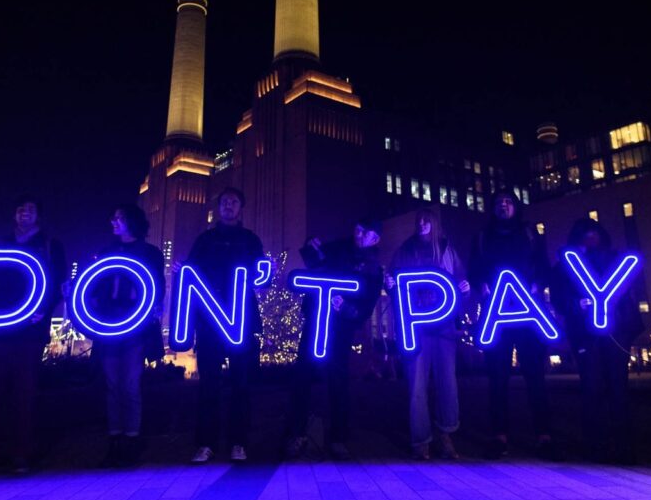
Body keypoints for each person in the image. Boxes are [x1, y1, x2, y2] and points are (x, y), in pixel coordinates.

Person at [0, 195, 66, 475]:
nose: (25, 213)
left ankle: (22, 453)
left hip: (30, 331)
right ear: (14, 214)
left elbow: (59, 284)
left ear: (38, 216)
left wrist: (43, 310)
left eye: (30, 209)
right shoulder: (1, 244)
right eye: (20, 208)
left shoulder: (50, 246)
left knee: (25, 393)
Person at [176, 187, 265, 463]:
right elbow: (190, 271)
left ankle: (239, 442)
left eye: (234, 201)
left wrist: (265, 274)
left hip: (241, 320)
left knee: (241, 384)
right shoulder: (205, 239)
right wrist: (182, 270)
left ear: (241, 208)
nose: (229, 205)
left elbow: (261, 275)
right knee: (209, 384)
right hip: (210, 320)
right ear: (219, 207)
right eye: (225, 201)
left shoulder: (250, 239)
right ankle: (206, 443)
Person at [468, 190, 558, 460]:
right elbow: (474, 269)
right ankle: (499, 436)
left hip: (528, 312)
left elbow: (543, 265)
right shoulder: (483, 236)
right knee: (497, 376)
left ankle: (544, 436)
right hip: (498, 313)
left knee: (535, 375)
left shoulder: (529, 233)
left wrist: (537, 285)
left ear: (516, 207)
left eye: (508, 202)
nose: (503, 206)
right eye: (498, 202)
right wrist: (481, 285)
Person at [284, 217, 384, 460]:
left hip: (341, 327)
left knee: (338, 379)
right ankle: (297, 433)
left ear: (375, 239)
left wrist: (348, 309)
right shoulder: (338, 247)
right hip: (317, 319)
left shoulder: (374, 268)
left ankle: (338, 437)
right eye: (358, 229)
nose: (359, 234)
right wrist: (311, 245)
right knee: (302, 376)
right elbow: (313, 261)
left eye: (366, 232)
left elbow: (368, 303)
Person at [550, 217, 643, 464]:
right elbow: (558, 298)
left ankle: (621, 446)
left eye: (594, 234)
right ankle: (599, 445)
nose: (591, 239)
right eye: (585, 235)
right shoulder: (566, 266)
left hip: (615, 332)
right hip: (586, 335)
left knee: (616, 388)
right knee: (593, 388)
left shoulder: (613, 259)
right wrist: (576, 304)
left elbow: (628, 292)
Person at [386, 210, 469, 460]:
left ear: (434, 224)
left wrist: (465, 288)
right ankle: (421, 440)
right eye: (418, 220)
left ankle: (445, 435)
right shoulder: (405, 250)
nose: (421, 223)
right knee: (416, 385)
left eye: (426, 220)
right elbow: (392, 282)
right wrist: (389, 286)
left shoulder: (446, 249)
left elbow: (461, 279)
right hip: (417, 327)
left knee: (447, 383)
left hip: (444, 326)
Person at [87, 204, 165, 468]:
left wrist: (153, 309)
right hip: (109, 323)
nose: (114, 221)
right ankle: (115, 439)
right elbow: (94, 284)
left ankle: (131, 439)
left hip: (135, 325)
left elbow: (158, 287)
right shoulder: (107, 252)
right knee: (112, 384)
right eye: (113, 217)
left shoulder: (149, 253)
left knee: (130, 384)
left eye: (119, 217)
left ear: (132, 221)